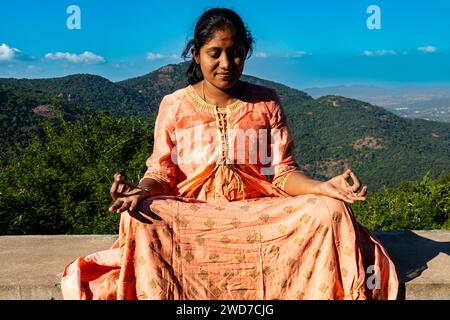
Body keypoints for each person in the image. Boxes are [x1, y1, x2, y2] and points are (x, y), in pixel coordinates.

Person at [61, 7, 398, 300]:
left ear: (246, 52)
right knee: (140, 215)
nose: (226, 63)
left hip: (260, 214)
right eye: (215, 52)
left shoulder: (266, 102)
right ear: (197, 54)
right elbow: (161, 173)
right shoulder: (175, 106)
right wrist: (140, 191)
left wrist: (320, 187)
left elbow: (281, 173)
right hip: (192, 215)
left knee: (329, 210)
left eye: (234, 52)